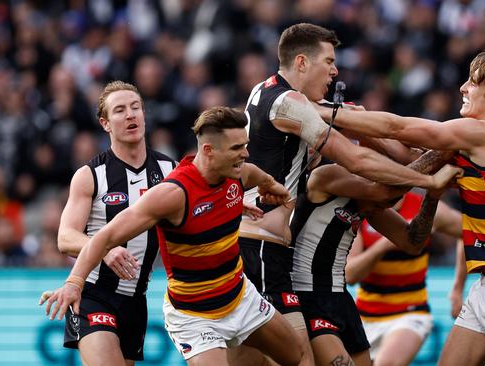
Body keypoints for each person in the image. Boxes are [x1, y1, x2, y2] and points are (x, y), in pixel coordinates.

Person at [316, 46, 485, 366]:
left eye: (472, 82)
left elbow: (401, 128)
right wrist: (356, 123)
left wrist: (324, 113)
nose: (463, 88)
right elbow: (411, 160)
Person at [236, 22, 458, 365]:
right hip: (271, 258)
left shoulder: (271, 94)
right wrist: (435, 170)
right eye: (329, 61)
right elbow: (363, 162)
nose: (335, 69)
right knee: (296, 360)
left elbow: (410, 236)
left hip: (325, 289)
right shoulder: (325, 171)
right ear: (301, 63)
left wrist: (435, 171)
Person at [43, 106, 306, 366]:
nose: (245, 154)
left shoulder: (238, 172)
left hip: (241, 298)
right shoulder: (172, 194)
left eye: (245, 145)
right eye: (237, 148)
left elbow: (257, 176)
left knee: (300, 357)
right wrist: (74, 283)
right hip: (195, 317)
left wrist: (272, 187)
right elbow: (105, 237)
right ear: (208, 150)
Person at [39, 80, 176, 366]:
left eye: (136, 107)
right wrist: (105, 248)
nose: (130, 115)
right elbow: (65, 238)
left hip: (136, 300)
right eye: (120, 110)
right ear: (105, 124)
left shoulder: (169, 170)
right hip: (93, 295)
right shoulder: (91, 174)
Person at [288, 160, 454, 366]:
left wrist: (433, 195)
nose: (390, 203)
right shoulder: (328, 176)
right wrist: (438, 162)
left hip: (345, 301)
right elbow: (382, 191)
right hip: (307, 295)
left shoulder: (369, 205)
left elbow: (412, 244)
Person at [346, 191, 465, 366]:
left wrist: (457, 288)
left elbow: (468, 231)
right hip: (364, 317)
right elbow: (350, 275)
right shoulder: (363, 210)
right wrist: (384, 245)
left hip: (410, 313)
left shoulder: (426, 209)